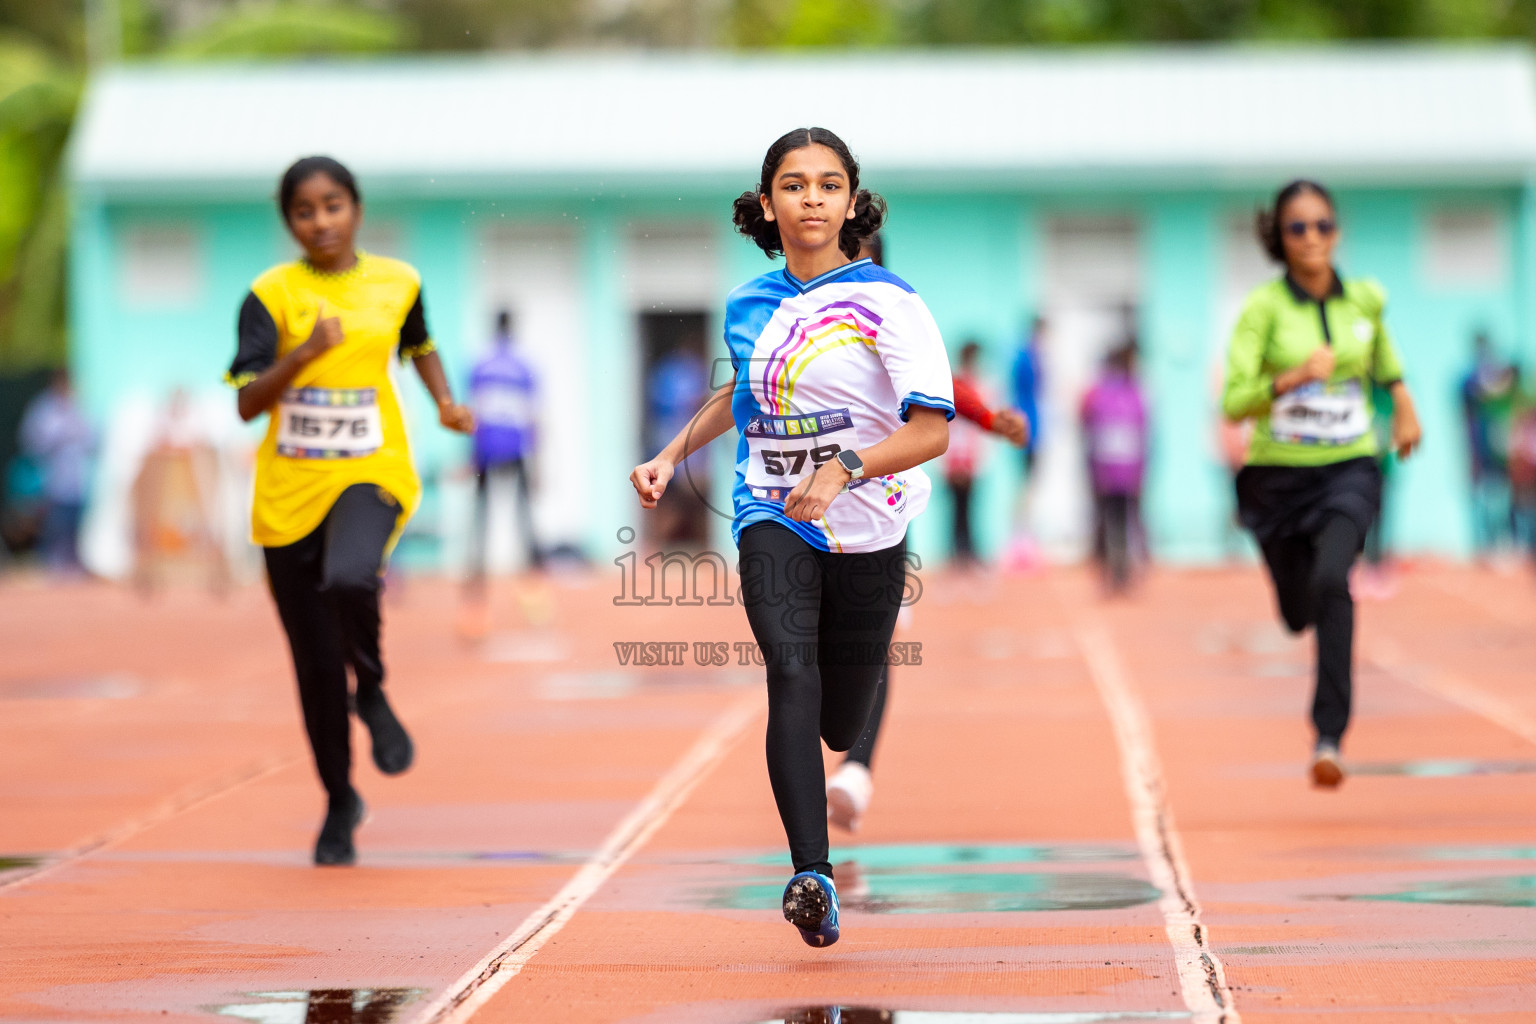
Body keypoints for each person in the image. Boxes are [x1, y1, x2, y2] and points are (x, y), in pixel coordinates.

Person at [630, 128, 953, 947]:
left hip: (871, 528)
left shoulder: (892, 302)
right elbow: (737, 393)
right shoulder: (749, 302)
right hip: (771, 512)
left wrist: (846, 467)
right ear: (767, 203)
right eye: (794, 184)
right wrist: (671, 454)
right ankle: (812, 873)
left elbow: (930, 433)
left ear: (852, 202)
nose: (811, 198)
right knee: (789, 670)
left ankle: (839, 774)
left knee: (843, 725)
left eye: (829, 184)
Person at [225, 156, 474, 865]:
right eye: (305, 211)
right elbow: (246, 402)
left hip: (372, 471)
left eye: (333, 205)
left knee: (352, 578)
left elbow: (419, 343)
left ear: (356, 209)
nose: (321, 221)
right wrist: (300, 354)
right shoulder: (270, 295)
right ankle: (339, 800)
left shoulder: (398, 282)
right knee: (312, 668)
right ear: (290, 222)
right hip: (287, 494)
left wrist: (445, 402)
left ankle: (374, 687)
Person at [1223, 179, 1422, 790]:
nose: (1313, 238)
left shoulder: (1365, 301)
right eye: (1298, 228)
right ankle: (1297, 597)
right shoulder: (1263, 309)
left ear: (1337, 231)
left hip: (1350, 469)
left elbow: (1386, 367)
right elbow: (1234, 401)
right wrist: (1289, 380)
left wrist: (1405, 405)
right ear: (1279, 239)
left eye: (1324, 225)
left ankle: (1328, 736)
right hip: (1277, 481)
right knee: (1297, 608)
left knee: (1335, 579)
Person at [824, 244, 1027, 836]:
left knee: (875, 644)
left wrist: (989, 419)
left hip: (877, 511)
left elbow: (943, 387)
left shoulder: (893, 312)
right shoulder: (785, 310)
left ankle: (856, 770)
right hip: (796, 513)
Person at [466, 310, 542, 603]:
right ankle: (535, 593)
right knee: (525, 521)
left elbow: (474, 414)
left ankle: (475, 596)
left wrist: (471, 456)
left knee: (480, 523)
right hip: (516, 448)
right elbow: (533, 416)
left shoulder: (480, 366)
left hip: (486, 449)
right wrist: (537, 462)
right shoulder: (524, 367)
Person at [1081, 341, 1148, 593]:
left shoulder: (1104, 392)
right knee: (1118, 522)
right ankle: (1118, 572)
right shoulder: (1128, 393)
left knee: (1117, 521)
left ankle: (1120, 572)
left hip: (1112, 472)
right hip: (1121, 472)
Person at [19, 369, 94, 573]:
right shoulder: (44, 409)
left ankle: (69, 577)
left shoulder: (77, 408)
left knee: (73, 536)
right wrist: (60, 438)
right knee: (54, 534)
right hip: (52, 483)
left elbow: (92, 440)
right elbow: (33, 442)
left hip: (76, 484)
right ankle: (52, 574)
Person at [1460, 330, 1517, 559]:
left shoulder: (1498, 375)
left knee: (1503, 495)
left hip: (1498, 449)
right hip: (1477, 447)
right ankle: (1483, 545)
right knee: (1479, 497)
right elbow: (1478, 392)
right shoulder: (1469, 380)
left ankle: (1502, 540)